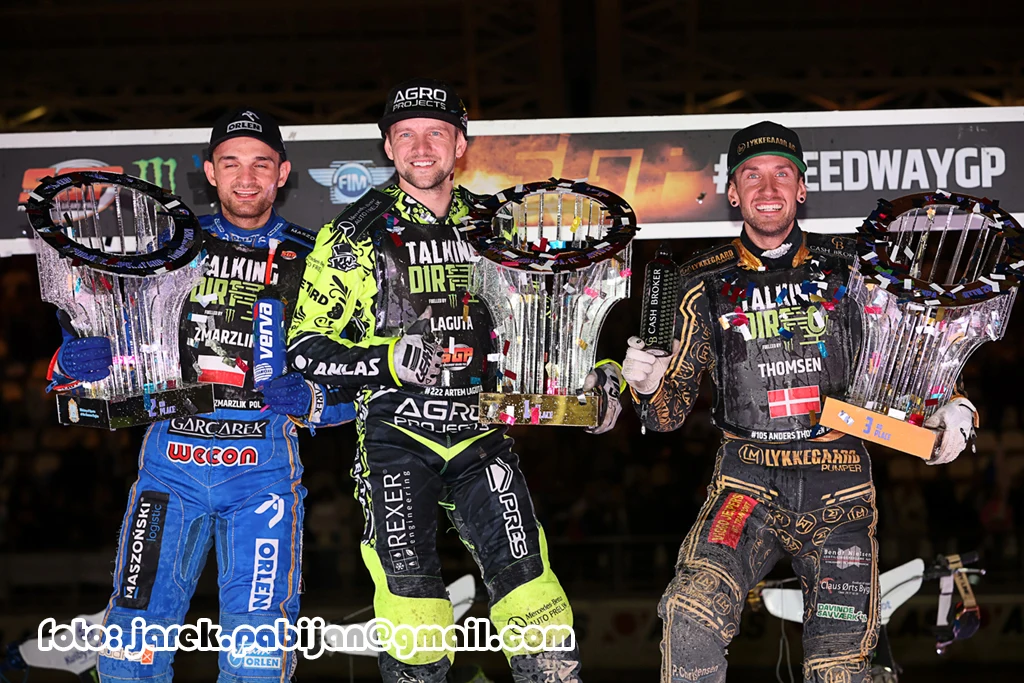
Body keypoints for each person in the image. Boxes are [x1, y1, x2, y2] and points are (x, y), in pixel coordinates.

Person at [286, 78, 623, 683]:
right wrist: (387, 359)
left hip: (480, 436)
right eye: (406, 135)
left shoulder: (497, 229)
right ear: (387, 147)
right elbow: (307, 350)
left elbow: (539, 335)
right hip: (396, 438)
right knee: (415, 616)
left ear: (460, 143)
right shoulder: (354, 233)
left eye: (436, 133)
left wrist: (594, 379)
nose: (421, 147)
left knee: (537, 604)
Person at [620, 121, 978, 683]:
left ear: (803, 188)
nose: (768, 189)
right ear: (732, 191)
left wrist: (957, 408)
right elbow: (665, 415)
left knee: (839, 668)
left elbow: (913, 362)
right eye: (752, 176)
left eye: (782, 174)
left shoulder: (856, 270)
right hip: (746, 486)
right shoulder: (700, 283)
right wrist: (644, 385)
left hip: (839, 488)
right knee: (690, 614)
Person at [48, 107, 354, 683]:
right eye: (231, 163)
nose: (246, 177)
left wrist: (315, 399)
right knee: (132, 639)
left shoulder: (319, 261)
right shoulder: (165, 249)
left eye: (261, 164)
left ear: (283, 173)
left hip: (262, 476)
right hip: (171, 470)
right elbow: (97, 351)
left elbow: (356, 386)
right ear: (208, 172)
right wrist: (70, 363)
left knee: (259, 650)